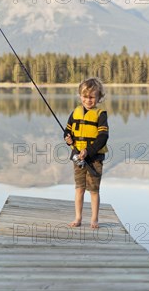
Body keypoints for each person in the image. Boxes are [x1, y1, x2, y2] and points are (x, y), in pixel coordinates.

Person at [64, 77, 109, 228]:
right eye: (85, 97)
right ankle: (78, 218)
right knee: (79, 188)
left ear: (98, 98)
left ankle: (94, 220)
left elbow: (103, 137)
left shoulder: (101, 114)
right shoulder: (75, 112)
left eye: (92, 97)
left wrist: (88, 151)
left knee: (94, 190)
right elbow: (67, 131)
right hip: (78, 158)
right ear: (80, 96)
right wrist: (68, 139)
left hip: (94, 158)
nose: (88, 100)